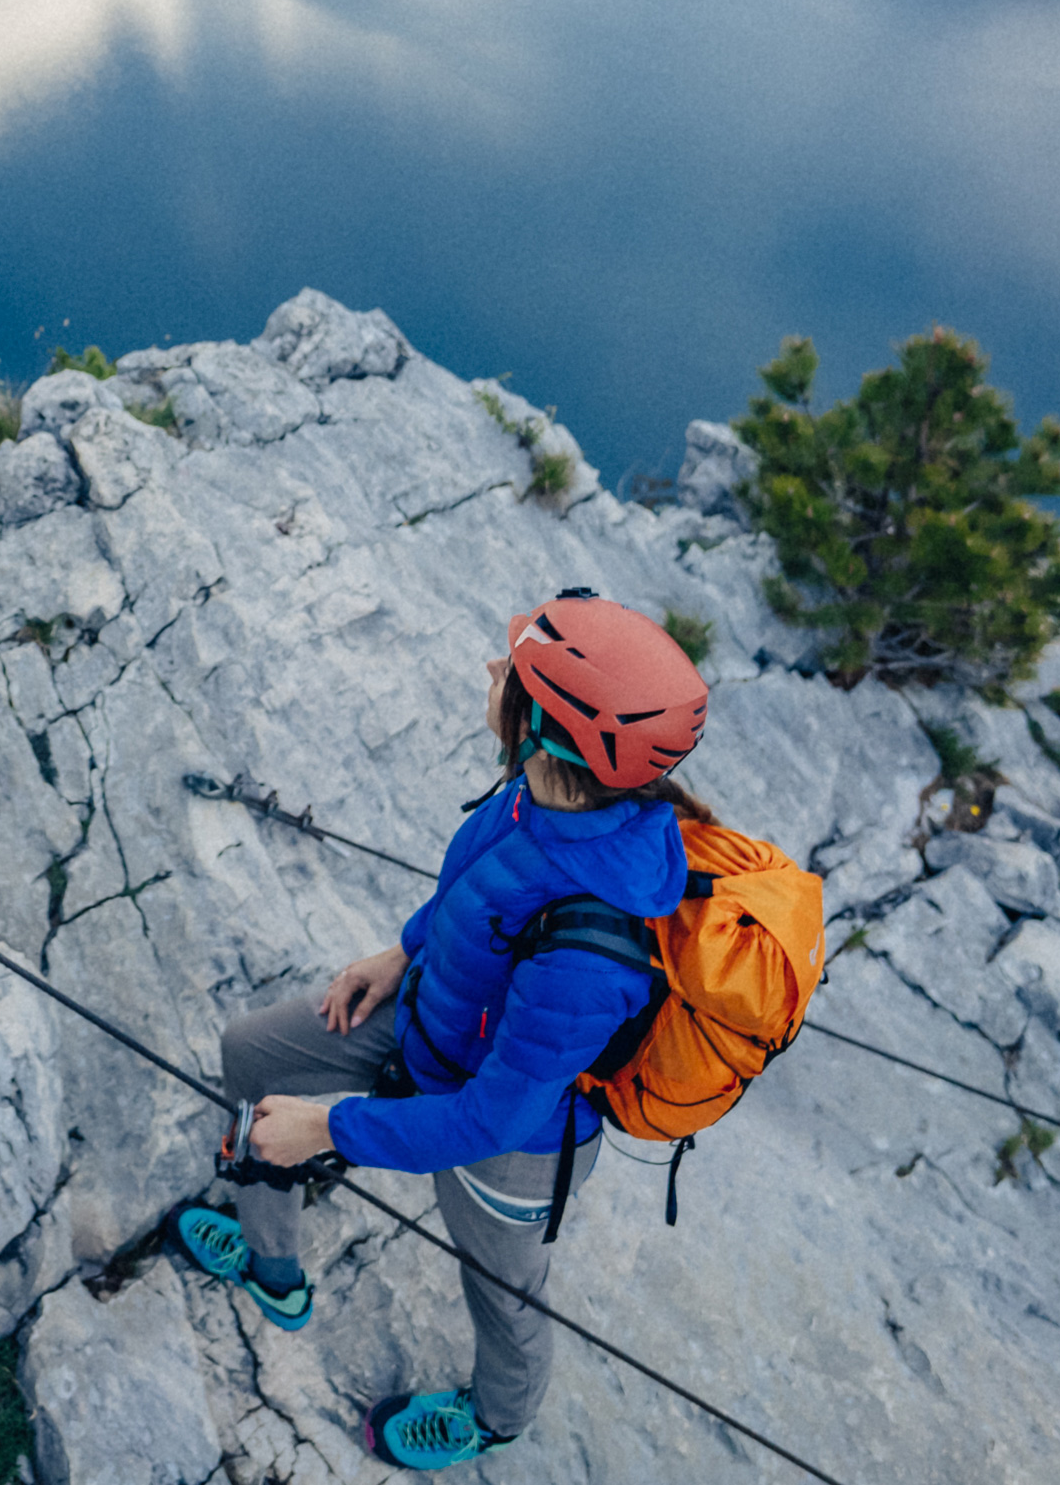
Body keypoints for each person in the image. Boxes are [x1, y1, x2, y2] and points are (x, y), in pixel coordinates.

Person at [179, 589, 712, 1471]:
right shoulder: (539, 796)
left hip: (512, 1148)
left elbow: (490, 1120)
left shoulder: (592, 954)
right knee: (252, 1053)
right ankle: (271, 1265)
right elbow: (481, 894)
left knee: (503, 1290)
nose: (493, 669)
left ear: (545, 731)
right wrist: (403, 950)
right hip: (433, 1016)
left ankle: (495, 1417)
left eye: (515, 673)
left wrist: (330, 1127)